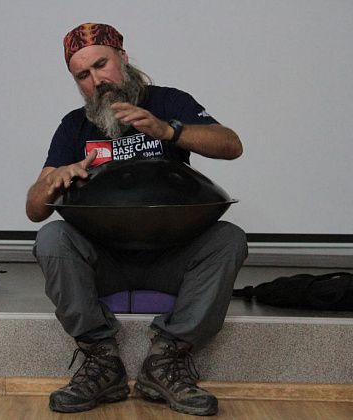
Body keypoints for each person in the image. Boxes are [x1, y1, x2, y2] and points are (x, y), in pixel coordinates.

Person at [26, 22, 248, 416]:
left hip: (172, 256)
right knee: (52, 238)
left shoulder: (168, 101)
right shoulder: (74, 126)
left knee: (228, 238)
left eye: (102, 65)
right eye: (83, 75)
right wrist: (55, 180)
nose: (97, 80)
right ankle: (102, 361)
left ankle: (166, 361)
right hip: (104, 261)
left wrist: (169, 131)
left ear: (123, 58)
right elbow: (34, 210)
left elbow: (231, 144)